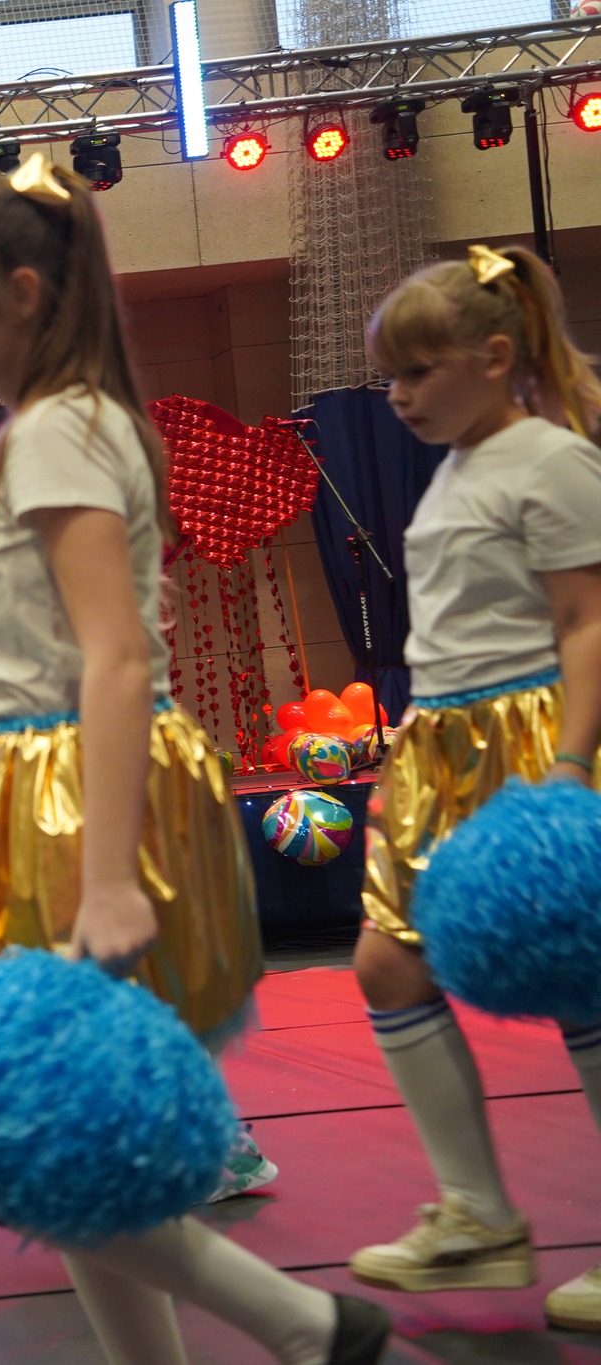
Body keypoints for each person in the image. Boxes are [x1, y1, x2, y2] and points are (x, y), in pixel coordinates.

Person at [0, 154, 389, 1365]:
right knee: (66, 1139)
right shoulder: (55, 427)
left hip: (66, 784)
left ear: (21, 294)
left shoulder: (58, 433)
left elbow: (116, 657)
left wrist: (109, 874)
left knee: (40, 1130)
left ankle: (303, 1324)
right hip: (37, 773)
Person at [348, 243, 601, 1333]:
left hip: (530, 736)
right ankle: (478, 1219)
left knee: (583, 984)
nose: (399, 397)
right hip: (441, 744)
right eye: (389, 380)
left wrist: (568, 768)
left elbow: (586, 621)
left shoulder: (551, 458)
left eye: (419, 372)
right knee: (387, 963)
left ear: (495, 357)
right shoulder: (458, 464)